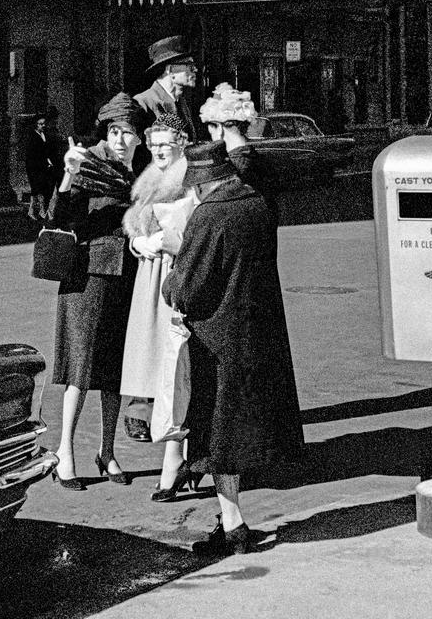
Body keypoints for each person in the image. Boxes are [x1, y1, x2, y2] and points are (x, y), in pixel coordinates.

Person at [163, 141, 304, 556]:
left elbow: (186, 290)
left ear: (203, 184)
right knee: (231, 436)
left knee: (215, 436)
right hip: (256, 332)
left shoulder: (209, 216)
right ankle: (231, 522)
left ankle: (235, 526)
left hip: (216, 341)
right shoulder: (257, 204)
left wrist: (173, 260)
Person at [50, 92, 143, 489]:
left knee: (114, 372)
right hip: (87, 279)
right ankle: (64, 452)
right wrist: (69, 175)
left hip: (126, 277)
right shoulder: (88, 162)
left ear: (139, 137)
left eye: (128, 133)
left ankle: (107, 452)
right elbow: (59, 215)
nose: (121, 140)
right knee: (80, 370)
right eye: (115, 131)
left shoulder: (142, 171)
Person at [120, 114, 198, 501]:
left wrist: (164, 242)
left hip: (174, 277)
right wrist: (138, 244)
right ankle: (178, 455)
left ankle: (174, 461)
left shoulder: (191, 179)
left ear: (182, 141)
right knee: (156, 370)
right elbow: (136, 224)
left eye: (165, 143)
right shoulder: (150, 178)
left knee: (174, 368)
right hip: (148, 279)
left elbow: (199, 235)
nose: (158, 151)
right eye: (153, 144)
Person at [127, 33, 199, 441]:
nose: (193, 72)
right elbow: (141, 162)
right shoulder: (144, 104)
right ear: (171, 70)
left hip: (177, 213)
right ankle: (141, 409)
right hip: (152, 212)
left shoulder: (178, 104)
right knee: (147, 324)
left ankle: (168, 404)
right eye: (187, 66)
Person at [134, 35, 198, 144]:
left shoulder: (181, 102)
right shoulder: (142, 102)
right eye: (190, 66)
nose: (195, 70)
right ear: (170, 70)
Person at [24, 112, 61, 222]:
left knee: (42, 189)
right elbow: (33, 154)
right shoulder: (32, 137)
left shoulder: (45, 135)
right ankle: (39, 211)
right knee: (37, 189)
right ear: (36, 125)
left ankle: (36, 211)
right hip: (35, 167)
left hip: (44, 166)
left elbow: (47, 150)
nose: (43, 126)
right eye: (40, 124)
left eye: (44, 123)